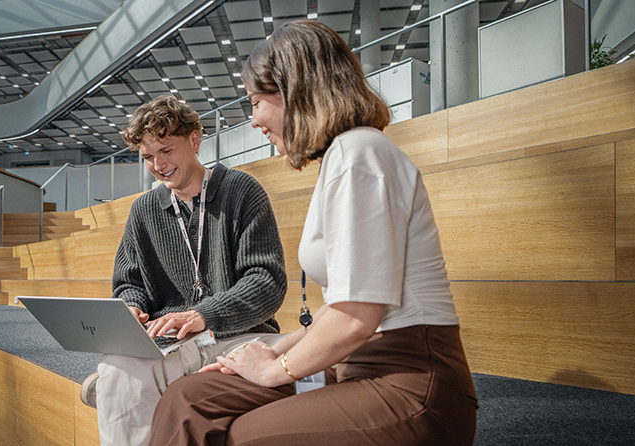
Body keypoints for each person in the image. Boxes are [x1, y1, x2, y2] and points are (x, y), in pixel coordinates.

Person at [146, 21, 478, 446]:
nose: (253, 121)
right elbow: (340, 308)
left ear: (294, 92)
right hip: (356, 363)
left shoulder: (360, 154)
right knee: (189, 399)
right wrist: (274, 349)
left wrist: (273, 369)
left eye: (256, 103)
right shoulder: (341, 157)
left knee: (243, 437)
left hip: (410, 382)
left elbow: (357, 318)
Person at [88, 95, 289, 446]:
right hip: (174, 342)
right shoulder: (144, 210)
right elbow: (129, 283)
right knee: (118, 365)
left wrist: (203, 315)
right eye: (147, 157)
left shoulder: (241, 191)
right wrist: (132, 306)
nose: (158, 165)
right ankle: (113, 386)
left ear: (194, 140)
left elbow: (266, 283)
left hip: (241, 336)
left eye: (165, 151)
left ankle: (110, 390)